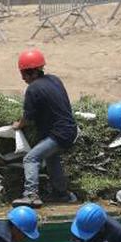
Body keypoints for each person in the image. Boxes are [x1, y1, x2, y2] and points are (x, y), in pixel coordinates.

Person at [10, 48, 78, 208]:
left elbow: (28, 117)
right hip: (70, 130)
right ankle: (62, 194)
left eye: (24, 74)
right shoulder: (54, 79)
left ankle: (31, 195)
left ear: (27, 73)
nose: (23, 79)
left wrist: (17, 125)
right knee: (51, 158)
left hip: (58, 134)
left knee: (31, 158)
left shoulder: (33, 89)